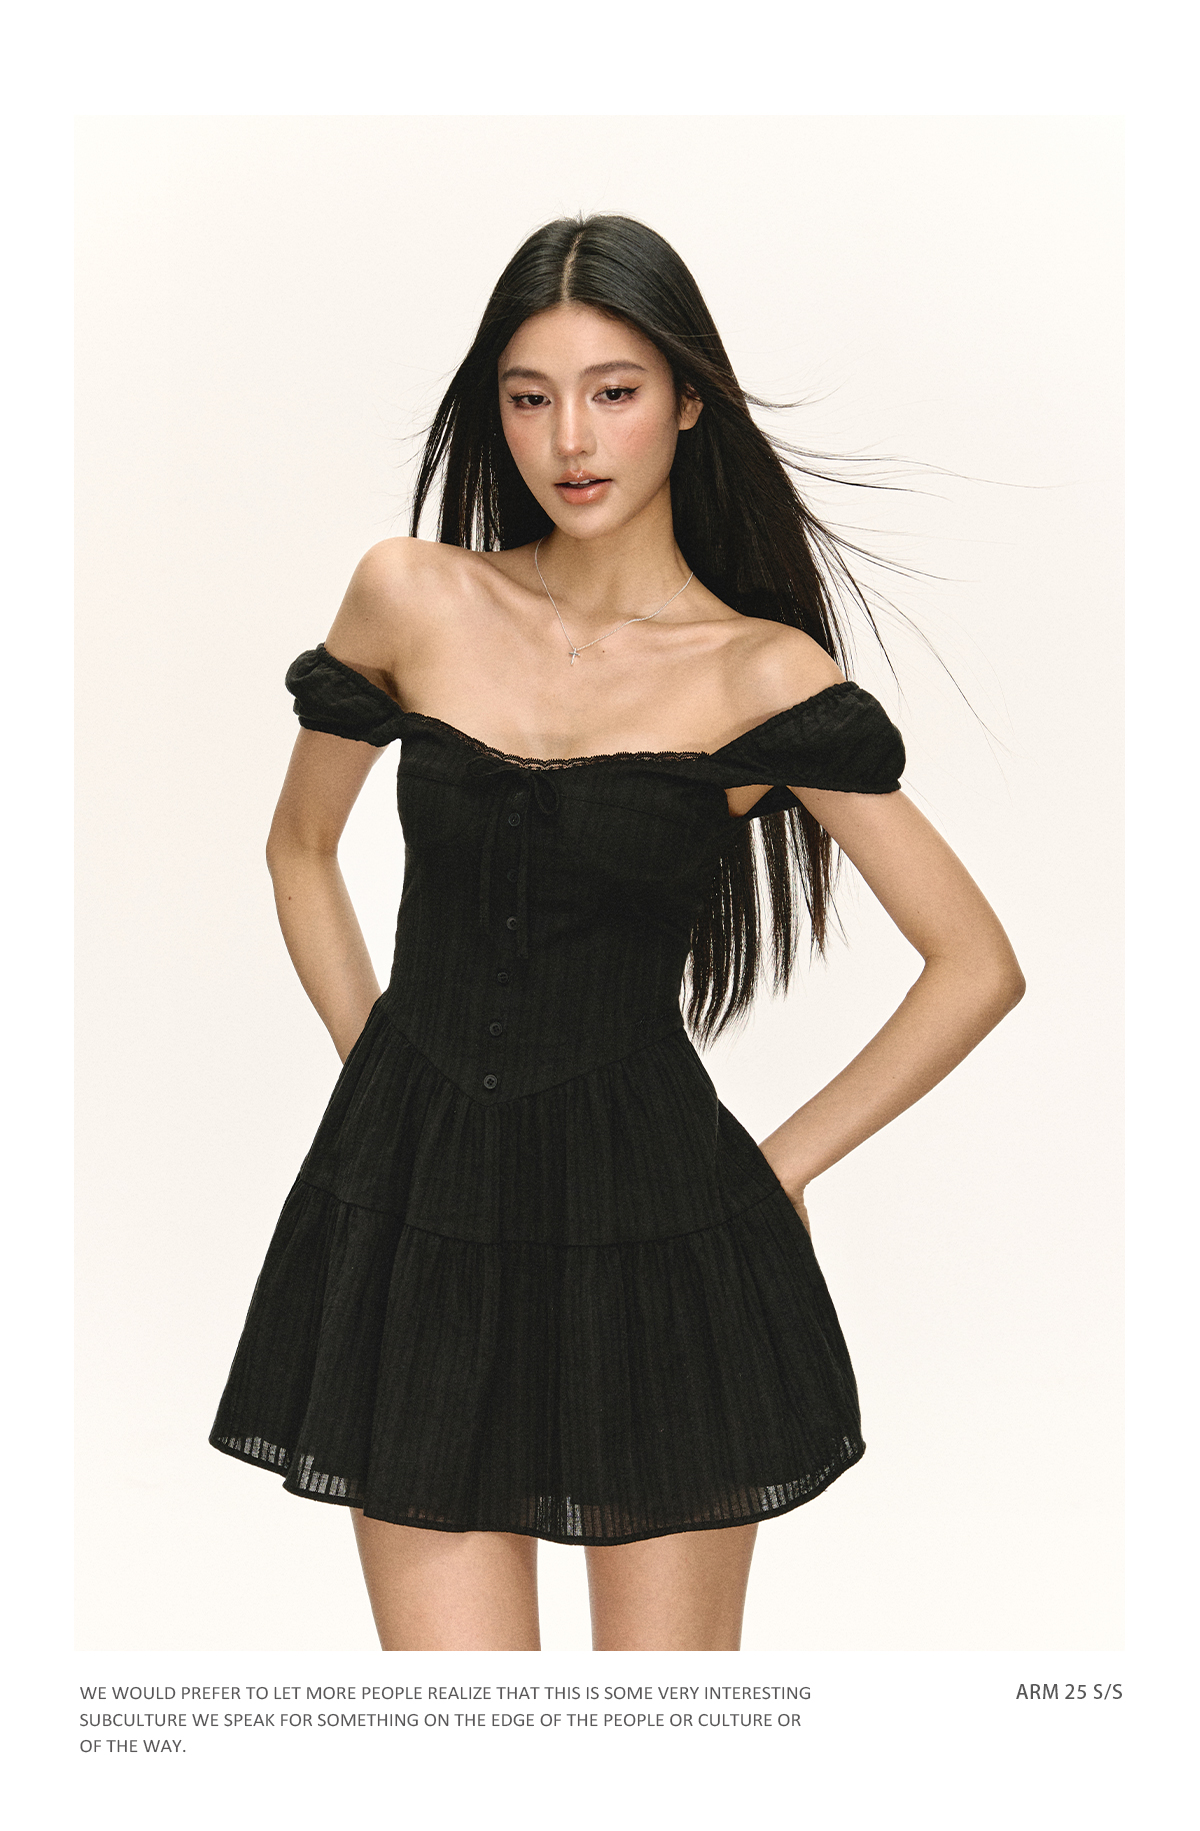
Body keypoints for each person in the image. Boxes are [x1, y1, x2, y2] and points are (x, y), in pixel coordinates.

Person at [209, 213, 1025, 1653]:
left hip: (660, 1240)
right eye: (529, 397)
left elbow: (976, 963)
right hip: (417, 1228)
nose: (570, 439)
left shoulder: (759, 675)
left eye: (614, 390)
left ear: (688, 400)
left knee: (657, 1744)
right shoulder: (410, 594)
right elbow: (298, 850)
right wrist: (382, 1077)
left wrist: (778, 1167)